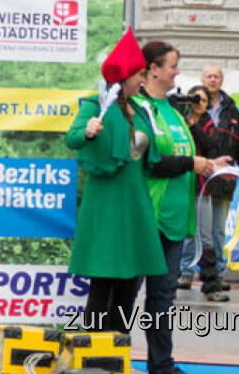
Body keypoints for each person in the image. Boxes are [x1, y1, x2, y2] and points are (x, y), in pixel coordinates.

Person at [133, 40, 229, 374]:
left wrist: (210, 165)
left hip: (174, 220)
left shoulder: (173, 111)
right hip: (146, 217)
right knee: (128, 294)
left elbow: (189, 153)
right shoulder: (140, 108)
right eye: (173, 65)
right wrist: (193, 163)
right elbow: (151, 161)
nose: (177, 71)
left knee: (163, 297)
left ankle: (161, 366)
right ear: (152, 69)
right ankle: (108, 359)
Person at [66, 28, 166, 339]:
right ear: (124, 77)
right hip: (107, 205)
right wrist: (89, 131)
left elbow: (149, 156)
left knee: (128, 284)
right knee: (102, 281)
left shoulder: (140, 108)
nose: (142, 79)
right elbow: (72, 137)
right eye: (139, 74)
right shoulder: (96, 104)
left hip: (134, 204)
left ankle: (117, 355)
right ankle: (92, 359)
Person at [199, 64, 239, 286]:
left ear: (221, 80)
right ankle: (186, 270)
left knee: (218, 230)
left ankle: (218, 272)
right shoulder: (195, 106)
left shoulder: (231, 110)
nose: (212, 79)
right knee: (199, 231)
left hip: (223, 181)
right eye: (209, 76)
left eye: (216, 76)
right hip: (199, 179)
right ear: (203, 79)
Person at [177, 84, 231, 303]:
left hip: (201, 186)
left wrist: (193, 125)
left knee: (206, 236)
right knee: (177, 235)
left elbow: (210, 145)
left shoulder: (207, 122)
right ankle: (173, 279)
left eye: (203, 101)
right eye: (195, 99)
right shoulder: (178, 119)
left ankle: (210, 283)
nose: (198, 104)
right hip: (180, 183)